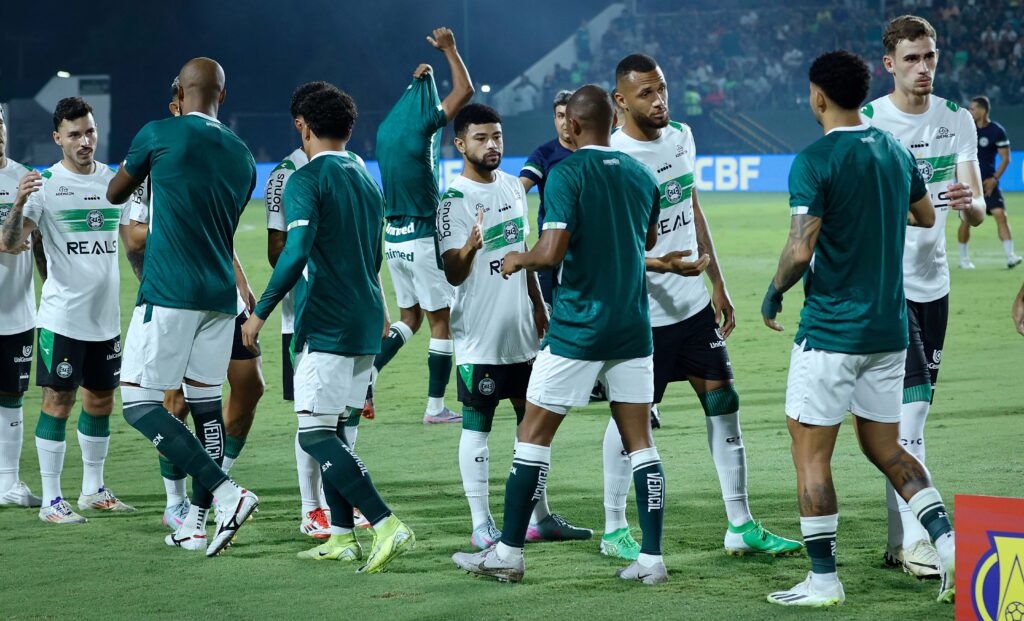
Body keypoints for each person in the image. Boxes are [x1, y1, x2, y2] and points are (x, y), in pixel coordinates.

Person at [762, 50, 958, 607]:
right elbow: (925, 215)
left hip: (831, 332)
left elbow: (800, 250)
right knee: (888, 448)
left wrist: (774, 292)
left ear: (818, 96)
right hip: (888, 331)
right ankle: (950, 547)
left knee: (810, 454)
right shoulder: (893, 150)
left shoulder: (814, 159)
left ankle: (824, 580)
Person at [453, 85, 669, 584]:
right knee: (641, 443)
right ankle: (652, 560)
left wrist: (517, 258)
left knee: (532, 436)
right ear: (612, 121)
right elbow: (649, 238)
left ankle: (507, 554)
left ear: (571, 126)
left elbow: (550, 252)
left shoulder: (566, 173)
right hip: (633, 327)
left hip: (578, 327)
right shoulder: (641, 174)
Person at [604, 53, 801, 560]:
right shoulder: (612, 157)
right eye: (646, 93)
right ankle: (613, 528)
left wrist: (718, 280)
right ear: (621, 101)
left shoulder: (681, 137)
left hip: (693, 309)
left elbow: (691, 207)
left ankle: (740, 524)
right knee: (632, 419)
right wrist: (662, 265)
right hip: (641, 316)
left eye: (662, 89)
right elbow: (608, 247)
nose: (659, 100)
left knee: (724, 404)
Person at [241, 84, 414, 572]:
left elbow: (294, 252)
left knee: (314, 435)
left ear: (304, 128)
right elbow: (373, 256)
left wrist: (260, 313)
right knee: (336, 427)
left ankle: (385, 523)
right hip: (364, 318)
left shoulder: (306, 178)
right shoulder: (365, 178)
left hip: (328, 322)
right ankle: (341, 536)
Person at [107, 57, 259, 557]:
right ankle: (194, 524)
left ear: (178, 91)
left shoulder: (158, 133)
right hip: (220, 296)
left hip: (170, 292)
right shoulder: (242, 155)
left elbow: (115, 193)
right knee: (206, 406)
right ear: (223, 96)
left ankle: (228, 494)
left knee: (139, 404)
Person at [861, 15, 986, 578]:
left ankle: (896, 539)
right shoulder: (871, 122)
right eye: (911, 59)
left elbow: (977, 209)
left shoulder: (955, 119)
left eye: (930, 56)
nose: (923, 68)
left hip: (935, 285)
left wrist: (967, 203)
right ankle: (920, 543)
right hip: (887, 288)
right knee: (909, 414)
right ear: (890, 64)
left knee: (909, 417)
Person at [439, 103, 590, 549]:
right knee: (477, 429)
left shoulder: (512, 187)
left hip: (523, 335)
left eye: (497, 137)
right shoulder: (453, 201)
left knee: (533, 430)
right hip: (480, 338)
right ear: (460, 144)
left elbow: (523, 251)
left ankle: (539, 518)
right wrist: (470, 247)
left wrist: (539, 307)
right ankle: (481, 523)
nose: (492, 145)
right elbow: (453, 273)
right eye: (481, 138)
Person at [2, 97, 135, 524]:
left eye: (89, 131)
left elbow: (133, 244)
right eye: (74, 134)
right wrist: (18, 203)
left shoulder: (114, 183)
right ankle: (51, 501)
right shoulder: (44, 184)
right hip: (62, 319)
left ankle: (93, 490)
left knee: (101, 400)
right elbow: (9, 242)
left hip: (106, 319)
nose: (84, 141)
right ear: (57, 138)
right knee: (57, 402)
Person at [374, 27, 474, 424]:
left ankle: (367, 376)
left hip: (394, 239)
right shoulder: (423, 128)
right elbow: (464, 91)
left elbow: (415, 100)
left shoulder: (386, 132)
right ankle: (435, 407)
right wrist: (450, 50)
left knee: (409, 319)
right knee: (441, 323)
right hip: (420, 235)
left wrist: (421, 79)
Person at [264, 81, 341, 539]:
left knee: (346, 414)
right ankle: (312, 507)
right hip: (304, 316)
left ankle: (341, 501)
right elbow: (277, 249)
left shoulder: (350, 166)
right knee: (313, 417)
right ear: (301, 123)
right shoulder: (286, 175)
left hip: (349, 314)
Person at [0, 105, 43, 509]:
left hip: (17, 312)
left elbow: (35, 240)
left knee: (12, 395)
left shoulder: (25, 177)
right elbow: (8, 241)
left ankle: (9, 483)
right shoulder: (21, 187)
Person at [519, 90, 575, 309]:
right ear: (554, 119)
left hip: (587, 245)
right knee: (547, 314)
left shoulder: (591, 152)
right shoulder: (544, 154)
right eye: (560, 116)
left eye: (570, 116)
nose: (565, 122)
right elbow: (519, 189)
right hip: (552, 246)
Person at [957, 96, 1021, 269]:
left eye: (973, 108)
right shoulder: (966, 129)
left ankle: (1011, 256)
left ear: (983, 110)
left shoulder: (996, 131)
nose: (970, 111)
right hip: (969, 182)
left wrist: (994, 179)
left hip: (988, 184)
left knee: (1001, 215)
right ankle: (963, 260)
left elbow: (1006, 158)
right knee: (966, 220)